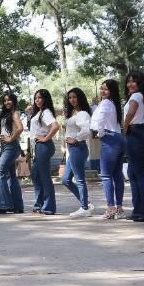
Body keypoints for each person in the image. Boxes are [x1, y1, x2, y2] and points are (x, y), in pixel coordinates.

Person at [123, 72, 144, 222]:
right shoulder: (141, 96)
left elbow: (131, 112)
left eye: (134, 82)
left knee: (140, 174)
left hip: (135, 133)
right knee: (133, 173)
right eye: (128, 82)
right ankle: (138, 210)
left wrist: (124, 127)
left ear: (140, 84)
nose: (130, 84)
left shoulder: (136, 96)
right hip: (141, 133)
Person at [90, 80, 126, 219]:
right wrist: (94, 105)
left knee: (106, 176)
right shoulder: (114, 103)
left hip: (110, 139)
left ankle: (110, 208)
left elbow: (99, 120)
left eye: (106, 89)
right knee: (117, 176)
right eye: (102, 89)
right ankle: (119, 208)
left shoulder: (106, 103)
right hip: (118, 138)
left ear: (112, 90)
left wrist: (100, 133)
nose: (103, 91)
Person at [62, 88, 93, 218]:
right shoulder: (73, 113)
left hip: (78, 148)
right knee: (65, 179)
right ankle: (86, 203)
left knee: (79, 179)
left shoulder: (83, 113)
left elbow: (87, 130)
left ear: (80, 97)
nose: (72, 100)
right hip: (73, 149)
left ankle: (85, 208)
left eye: (74, 97)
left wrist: (76, 139)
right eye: (70, 98)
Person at [29, 89, 60, 215]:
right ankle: (39, 205)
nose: (37, 100)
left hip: (44, 145)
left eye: (40, 98)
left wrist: (46, 138)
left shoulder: (46, 112)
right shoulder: (39, 112)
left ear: (45, 99)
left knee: (44, 176)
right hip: (39, 146)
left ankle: (48, 207)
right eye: (36, 98)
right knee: (36, 175)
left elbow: (55, 126)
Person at [0, 92, 25, 214]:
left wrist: (11, 138)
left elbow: (20, 128)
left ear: (14, 101)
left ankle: (6, 205)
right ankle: (18, 206)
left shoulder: (14, 113)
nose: (7, 102)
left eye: (9, 100)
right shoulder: (5, 114)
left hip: (10, 146)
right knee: (12, 176)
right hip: (5, 146)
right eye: (5, 100)